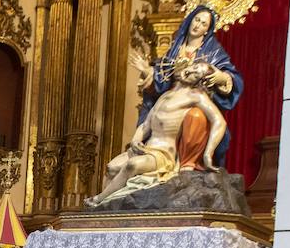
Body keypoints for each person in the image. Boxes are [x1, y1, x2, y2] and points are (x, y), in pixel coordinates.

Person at [88, 59, 227, 206]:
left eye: (196, 74)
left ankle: (99, 199)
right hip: (146, 147)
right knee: (111, 168)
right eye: (194, 67)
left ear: (200, 82)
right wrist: (136, 139)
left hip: (163, 155)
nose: (190, 71)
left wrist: (207, 154)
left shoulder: (196, 96)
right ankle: (107, 209)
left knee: (132, 165)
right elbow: (147, 123)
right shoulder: (166, 95)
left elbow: (219, 121)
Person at [134, 3, 242, 167]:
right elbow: (161, 78)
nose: (198, 25)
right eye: (196, 20)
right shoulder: (176, 48)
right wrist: (147, 72)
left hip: (194, 100)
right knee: (155, 113)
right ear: (191, 20)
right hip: (172, 97)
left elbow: (231, 77)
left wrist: (220, 77)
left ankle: (188, 163)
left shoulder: (214, 52)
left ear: (207, 29)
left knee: (196, 116)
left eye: (203, 23)